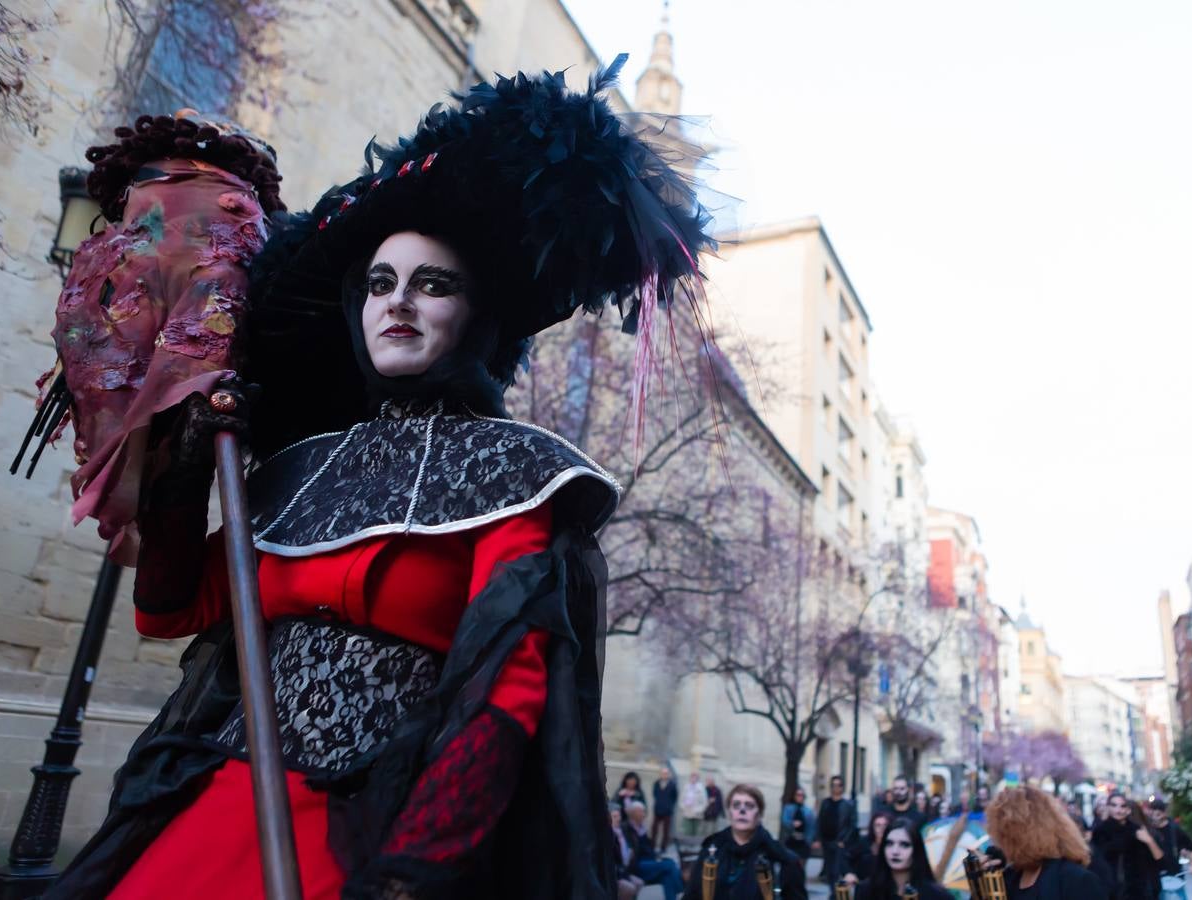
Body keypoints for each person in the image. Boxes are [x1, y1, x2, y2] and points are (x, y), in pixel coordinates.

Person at [46, 56, 715, 900]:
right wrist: (185, 468)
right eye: (379, 284)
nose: (398, 303)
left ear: (473, 315)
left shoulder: (518, 474)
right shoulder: (299, 470)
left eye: (432, 286)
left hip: (382, 836)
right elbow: (170, 610)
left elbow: (503, 699)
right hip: (216, 808)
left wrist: (408, 876)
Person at [683, 784, 806, 900]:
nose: (742, 810)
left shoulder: (781, 859)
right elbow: (691, 895)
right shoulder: (711, 851)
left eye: (749, 805)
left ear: (760, 813)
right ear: (729, 812)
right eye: (736, 805)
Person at [985, 786, 1109, 899]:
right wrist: (981, 885)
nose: (1000, 838)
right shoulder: (1009, 876)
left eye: (1005, 829)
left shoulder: (1076, 880)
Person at [854, 817, 955, 900]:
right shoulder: (866, 891)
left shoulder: (937, 896)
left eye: (904, 845)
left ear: (916, 850)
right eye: (889, 844)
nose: (895, 851)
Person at [1092, 792, 1165, 900]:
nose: (1118, 810)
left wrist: (1149, 841)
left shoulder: (1137, 830)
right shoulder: (1100, 832)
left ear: (1128, 809)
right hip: (1110, 891)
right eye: (1114, 805)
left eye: (1122, 806)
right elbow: (1097, 865)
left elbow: (1159, 860)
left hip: (1139, 891)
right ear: (1108, 807)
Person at [626, 801, 686, 900]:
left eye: (643, 811)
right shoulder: (627, 829)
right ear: (633, 814)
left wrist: (656, 857)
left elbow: (648, 849)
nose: (644, 814)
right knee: (669, 865)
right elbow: (634, 852)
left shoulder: (642, 828)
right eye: (641, 812)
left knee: (667, 874)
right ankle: (682, 889)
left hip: (649, 862)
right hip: (637, 865)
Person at [1148, 798, 1192, 900]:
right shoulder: (1147, 829)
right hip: (1153, 875)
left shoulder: (1174, 829)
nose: (1154, 818)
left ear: (1164, 814)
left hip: (1173, 874)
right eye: (1152, 815)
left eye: (1158, 814)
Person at [818, 775, 858, 886]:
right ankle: (833, 893)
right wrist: (819, 839)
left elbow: (852, 825)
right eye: (834, 785)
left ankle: (836, 894)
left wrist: (844, 841)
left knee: (837, 872)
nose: (836, 788)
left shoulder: (848, 805)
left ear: (842, 787)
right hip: (826, 842)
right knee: (829, 872)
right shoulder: (825, 803)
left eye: (839, 785)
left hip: (839, 842)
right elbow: (820, 821)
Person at [842, 812, 894, 885]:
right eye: (878, 825)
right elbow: (846, 858)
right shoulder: (864, 842)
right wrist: (849, 873)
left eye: (885, 825)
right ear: (872, 827)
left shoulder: (895, 845)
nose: (882, 828)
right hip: (864, 886)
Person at [612, 806, 647, 900]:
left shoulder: (622, 831)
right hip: (615, 874)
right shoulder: (609, 835)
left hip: (625, 870)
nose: (618, 819)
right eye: (614, 817)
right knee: (629, 888)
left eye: (619, 816)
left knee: (639, 883)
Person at [780, 787, 818, 861]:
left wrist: (812, 841)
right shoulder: (788, 808)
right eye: (798, 795)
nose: (800, 797)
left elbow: (812, 827)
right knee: (789, 864)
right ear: (794, 796)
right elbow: (784, 821)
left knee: (801, 865)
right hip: (791, 841)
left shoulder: (808, 811)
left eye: (802, 795)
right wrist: (792, 823)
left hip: (804, 842)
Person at [653, 767, 680, 853]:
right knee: (654, 829)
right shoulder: (657, 783)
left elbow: (675, 797)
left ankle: (663, 848)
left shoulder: (672, 784)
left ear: (668, 774)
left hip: (667, 811)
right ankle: (652, 845)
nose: (664, 775)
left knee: (666, 831)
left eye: (666, 773)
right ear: (660, 774)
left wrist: (669, 805)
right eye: (663, 773)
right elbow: (655, 794)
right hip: (657, 810)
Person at [680, 772, 709, 839]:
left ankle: (694, 847)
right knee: (687, 830)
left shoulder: (701, 788)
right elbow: (681, 799)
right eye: (692, 777)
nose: (693, 779)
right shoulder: (686, 786)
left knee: (696, 831)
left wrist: (699, 810)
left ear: (697, 779)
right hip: (687, 812)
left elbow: (705, 802)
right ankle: (687, 845)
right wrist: (683, 807)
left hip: (697, 813)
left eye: (695, 777)